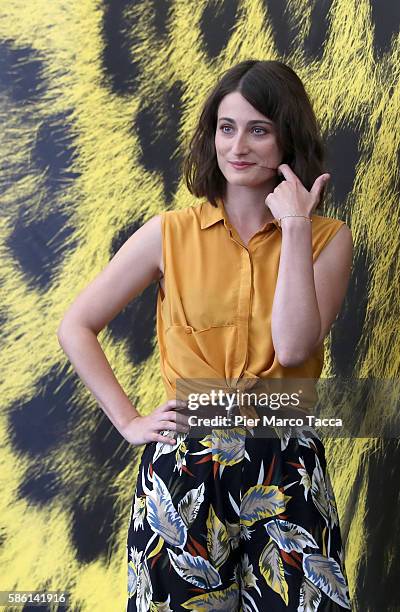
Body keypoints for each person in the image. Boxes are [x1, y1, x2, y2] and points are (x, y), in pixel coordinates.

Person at [57, 59, 353, 611]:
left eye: (258, 129)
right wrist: (128, 420)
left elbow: (292, 347)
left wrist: (292, 226)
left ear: (288, 138)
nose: (238, 145)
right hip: (184, 465)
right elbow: (76, 325)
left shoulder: (326, 239)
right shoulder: (167, 234)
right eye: (226, 127)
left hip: (284, 462)